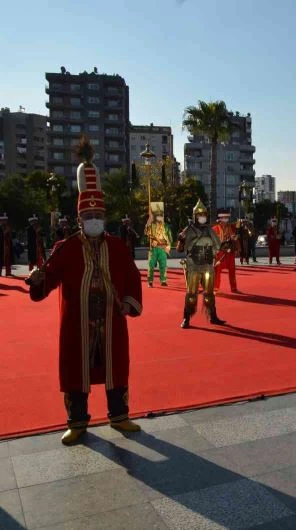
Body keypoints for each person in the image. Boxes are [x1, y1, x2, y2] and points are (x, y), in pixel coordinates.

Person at [27, 138, 143, 445]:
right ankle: (76, 422)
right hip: (78, 322)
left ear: (104, 218)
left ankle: (119, 415)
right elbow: (48, 280)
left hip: (110, 319)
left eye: (98, 216)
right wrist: (38, 278)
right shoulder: (64, 249)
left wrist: (128, 304)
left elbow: (132, 278)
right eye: (88, 216)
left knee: (115, 367)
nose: (94, 220)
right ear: (80, 219)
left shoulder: (117, 247)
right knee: (75, 370)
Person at [176, 200, 225, 328]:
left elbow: (219, 245)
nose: (202, 217)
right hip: (193, 266)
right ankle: (186, 318)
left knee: (209, 294)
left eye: (204, 214)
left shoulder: (210, 230)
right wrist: (181, 240)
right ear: (195, 216)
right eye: (200, 215)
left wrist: (229, 243)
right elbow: (179, 249)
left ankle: (213, 316)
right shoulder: (189, 230)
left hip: (208, 265)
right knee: (191, 294)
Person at [144, 205, 171, 287]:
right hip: (154, 248)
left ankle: (163, 280)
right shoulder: (151, 225)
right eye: (157, 215)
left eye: (161, 215)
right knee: (151, 265)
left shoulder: (166, 226)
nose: (159, 217)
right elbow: (146, 232)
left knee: (163, 265)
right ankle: (150, 281)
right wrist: (149, 221)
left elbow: (169, 237)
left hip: (162, 248)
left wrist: (167, 246)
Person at [212, 208, 239, 292]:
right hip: (219, 252)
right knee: (217, 271)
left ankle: (234, 287)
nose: (226, 219)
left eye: (227, 217)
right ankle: (216, 287)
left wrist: (234, 240)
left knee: (232, 270)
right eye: (224, 217)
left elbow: (236, 235)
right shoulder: (215, 228)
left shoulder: (231, 227)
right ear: (220, 218)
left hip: (230, 252)